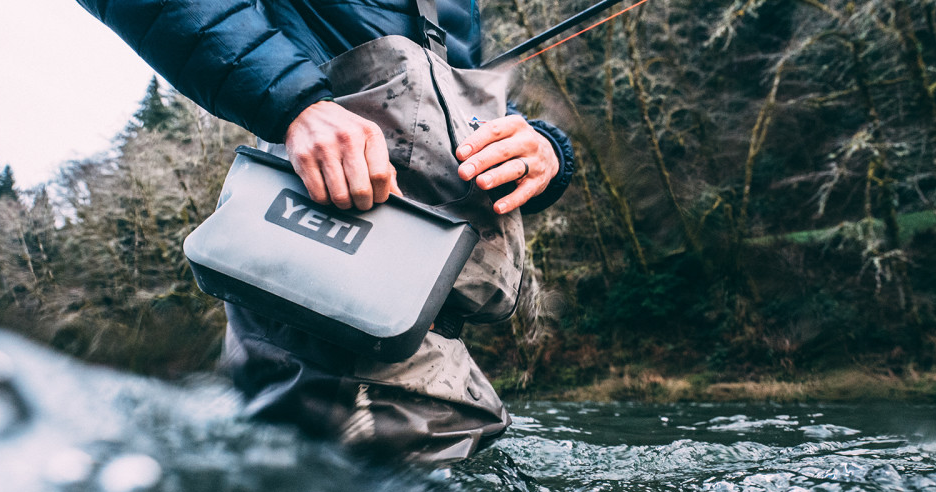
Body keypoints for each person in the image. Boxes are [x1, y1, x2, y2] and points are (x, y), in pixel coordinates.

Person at [76, 0, 576, 460]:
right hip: (328, 283)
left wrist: (546, 149)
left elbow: (452, 105)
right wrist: (295, 104)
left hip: (432, 324)